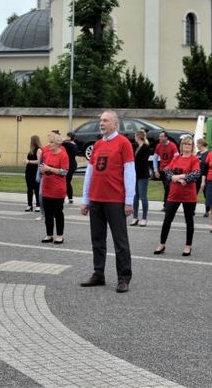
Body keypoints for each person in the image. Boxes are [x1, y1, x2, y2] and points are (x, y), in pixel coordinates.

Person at [79, 111, 135, 293]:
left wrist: (129, 200)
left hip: (115, 200)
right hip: (96, 199)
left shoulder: (123, 143)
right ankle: (98, 274)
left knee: (120, 242)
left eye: (105, 120)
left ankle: (124, 278)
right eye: (100, 120)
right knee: (97, 240)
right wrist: (86, 199)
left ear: (115, 124)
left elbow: (130, 173)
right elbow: (90, 173)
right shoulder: (97, 145)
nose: (101, 123)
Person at [155, 137, 201, 256]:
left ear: (192, 146)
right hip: (174, 194)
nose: (187, 146)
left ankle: (188, 246)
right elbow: (167, 171)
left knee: (189, 221)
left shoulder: (194, 159)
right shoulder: (176, 158)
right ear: (181, 145)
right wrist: (175, 178)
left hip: (189, 196)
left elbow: (196, 173)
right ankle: (162, 244)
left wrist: (180, 177)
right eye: (185, 143)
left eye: (189, 144)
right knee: (167, 220)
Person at [39, 132, 70, 243]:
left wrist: (50, 169)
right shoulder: (47, 154)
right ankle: (49, 235)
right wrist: (42, 170)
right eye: (49, 142)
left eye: (51, 142)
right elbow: (43, 167)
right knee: (48, 213)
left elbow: (64, 172)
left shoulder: (63, 155)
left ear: (58, 143)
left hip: (58, 189)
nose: (49, 144)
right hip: (46, 188)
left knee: (58, 213)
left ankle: (60, 235)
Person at [131, 130, 152, 227]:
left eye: (135, 136)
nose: (134, 138)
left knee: (143, 197)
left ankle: (144, 218)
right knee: (135, 196)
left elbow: (142, 162)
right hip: (135, 174)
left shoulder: (146, 147)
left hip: (142, 175)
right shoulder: (136, 147)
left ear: (138, 136)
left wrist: (135, 170)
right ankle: (135, 217)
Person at [152, 131, 178, 203]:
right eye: (159, 136)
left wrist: (169, 166)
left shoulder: (172, 145)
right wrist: (156, 170)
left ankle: (166, 204)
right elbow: (155, 158)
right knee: (166, 187)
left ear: (166, 137)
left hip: (170, 170)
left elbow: (176, 157)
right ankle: (167, 203)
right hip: (162, 170)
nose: (159, 138)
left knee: (168, 187)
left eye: (161, 136)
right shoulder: (158, 146)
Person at [24, 135, 42, 213]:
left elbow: (39, 161)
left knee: (36, 189)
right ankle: (29, 205)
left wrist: (29, 161)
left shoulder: (38, 149)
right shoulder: (32, 149)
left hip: (35, 171)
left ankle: (38, 205)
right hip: (29, 171)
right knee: (29, 189)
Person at [195, 136, 210, 218]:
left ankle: (207, 211)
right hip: (197, 176)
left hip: (205, 176)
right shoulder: (198, 153)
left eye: (197, 144)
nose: (196, 145)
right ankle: (192, 209)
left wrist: (200, 162)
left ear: (201, 144)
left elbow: (207, 165)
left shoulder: (208, 153)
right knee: (194, 193)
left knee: (206, 194)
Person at [63, 132, 79, 204]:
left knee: (65, 182)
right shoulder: (75, 145)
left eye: (67, 136)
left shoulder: (68, 144)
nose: (65, 137)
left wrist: (63, 139)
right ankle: (70, 198)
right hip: (72, 164)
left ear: (69, 137)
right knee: (68, 181)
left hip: (68, 164)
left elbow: (60, 142)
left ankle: (63, 197)